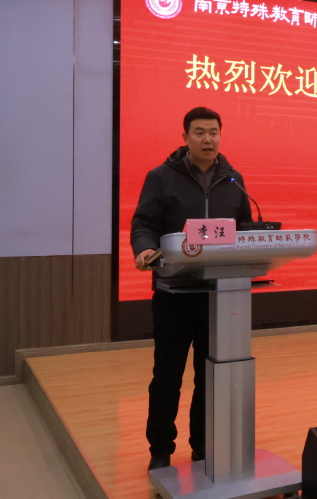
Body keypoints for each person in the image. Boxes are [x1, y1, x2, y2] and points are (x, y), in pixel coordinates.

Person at [131, 106, 253, 471]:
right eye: (199, 132)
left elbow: (244, 229)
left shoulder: (233, 181)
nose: (208, 139)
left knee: (208, 375)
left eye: (214, 132)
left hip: (217, 296)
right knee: (167, 376)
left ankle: (202, 446)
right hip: (174, 293)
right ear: (185, 138)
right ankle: (160, 450)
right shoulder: (161, 177)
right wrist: (144, 249)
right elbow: (144, 223)